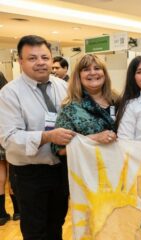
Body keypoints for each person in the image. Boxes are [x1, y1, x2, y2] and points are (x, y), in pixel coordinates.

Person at [0, 35, 75, 239]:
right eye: (32, 58)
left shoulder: (62, 86)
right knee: (35, 229)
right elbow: (9, 138)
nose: (40, 62)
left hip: (61, 169)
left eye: (45, 57)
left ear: (52, 59)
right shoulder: (9, 94)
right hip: (29, 173)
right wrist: (47, 136)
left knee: (57, 223)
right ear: (20, 62)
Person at [51, 54, 117, 157]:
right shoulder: (70, 108)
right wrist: (94, 138)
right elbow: (60, 150)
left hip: (120, 167)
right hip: (89, 169)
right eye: (86, 69)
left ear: (104, 73)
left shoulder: (118, 101)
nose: (93, 73)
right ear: (78, 76)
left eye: (97, 68)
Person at [0, 72, 20, 226]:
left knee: (0, 177)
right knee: (13, 174)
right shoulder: (8, 94)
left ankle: (1, 214)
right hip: (10, 137)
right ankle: (18, 211)